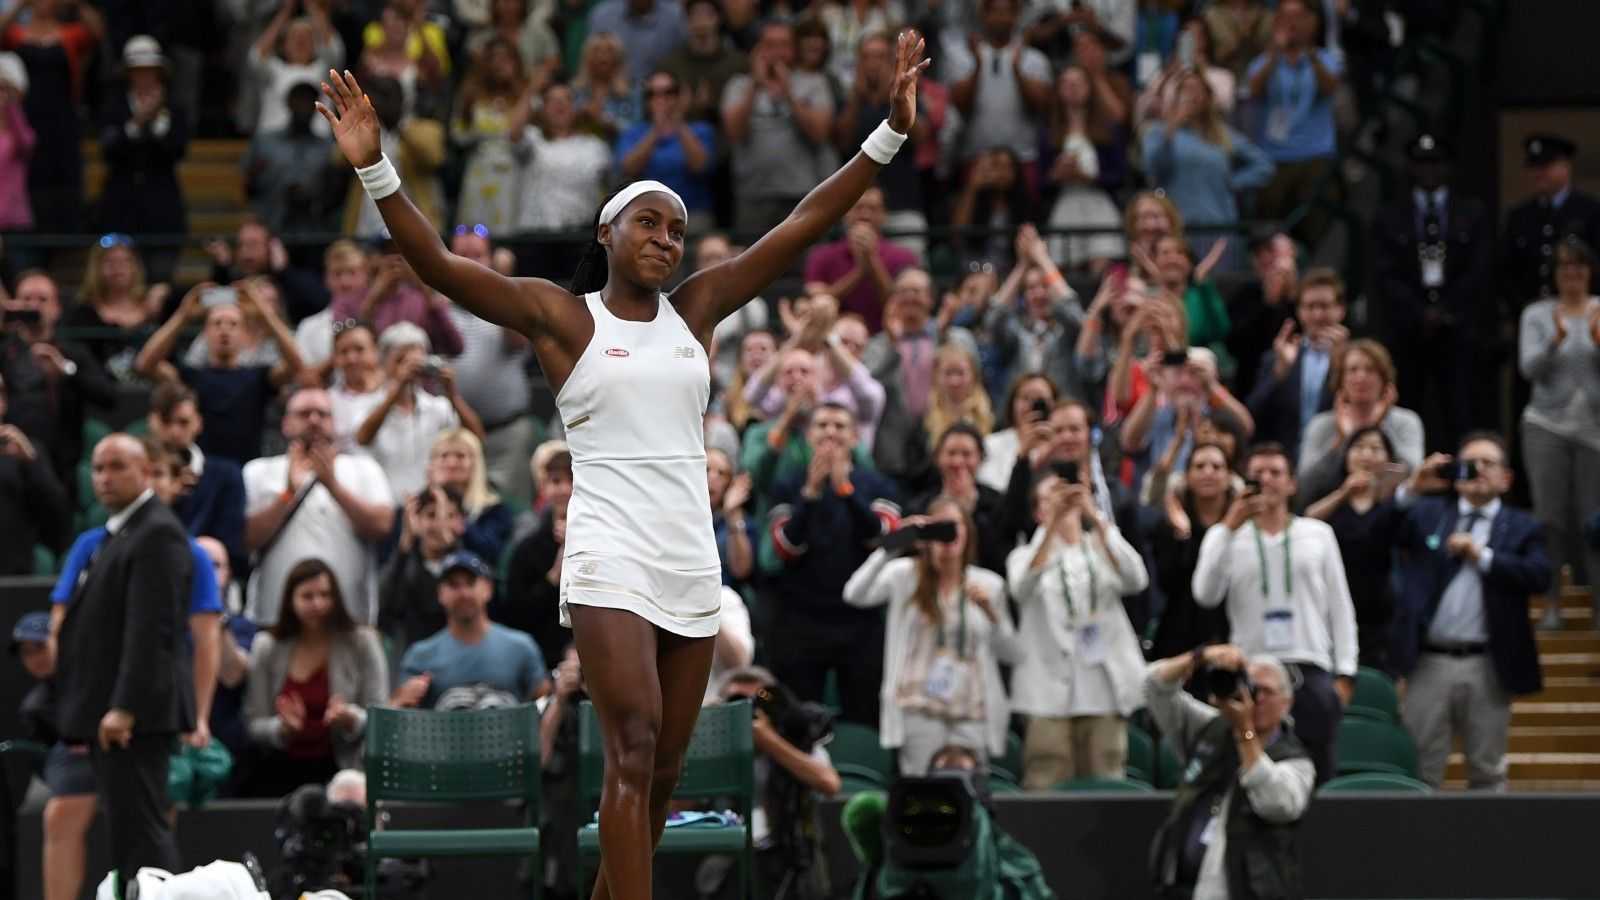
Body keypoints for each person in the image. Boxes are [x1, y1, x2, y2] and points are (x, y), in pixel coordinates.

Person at [316, 32, 926, 896]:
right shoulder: (562, 318)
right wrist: (376, 170)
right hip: (607, 552)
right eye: (650, 222)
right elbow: (441, 268)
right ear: (607, 231)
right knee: (631, 751)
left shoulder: (701, 307)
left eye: (677, 230)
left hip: (690, 553)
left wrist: (890, 135)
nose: (668, 241)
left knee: (663, 780)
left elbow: (802, 224)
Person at [50, 434, 193, 897]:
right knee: (130, 839)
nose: (104, 478)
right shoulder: (124, 532)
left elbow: (152, 631)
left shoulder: (157, 532)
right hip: (116, 711)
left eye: (117, 467)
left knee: (145, 839)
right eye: (97, 468)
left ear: (146, 472)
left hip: (135, 717)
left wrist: (125, 707)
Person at [1191, 441, 1358, 782]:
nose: (1266, 480)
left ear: (1291, 483)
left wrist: (1345, 676)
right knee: (1250, 769)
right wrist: (1227, 527)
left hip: (1309, 668)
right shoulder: (1225, 536)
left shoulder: (1318, 534)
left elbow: (1341, 608)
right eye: (1257, 475)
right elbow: (1205, 595)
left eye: (1275, 473)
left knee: (1316, 773)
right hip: (1252, 669)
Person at [1392, 434, 1549, 790]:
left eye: (1487, 463)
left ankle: (1493, 847)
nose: (1477, 470)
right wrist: (1411, 489)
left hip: (1488, 664)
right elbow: (1382, 533)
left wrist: (1483, 557)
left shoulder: (1524, 526)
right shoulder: (1429, 512)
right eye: (1469, 463)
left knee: (1487, 771)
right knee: (1419, 770)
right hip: (1429, 662)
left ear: (1506, 479)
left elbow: (1540, 575)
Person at [843, 497, 1018, 774]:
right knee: (922, 796)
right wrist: (896, 541)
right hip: (918, 709)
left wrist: (991, 613)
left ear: (968, 533)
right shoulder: (904, 575)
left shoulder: (988, 584)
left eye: (954, 526)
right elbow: (854, 594)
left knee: (969, 796)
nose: (947, 534)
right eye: (939, 527)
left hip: (971, 711)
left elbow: (1011, 652)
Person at [1007, 474, 1148, 788]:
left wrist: (1097, 517)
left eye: (1069, 499)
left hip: (1103, 690)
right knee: (1045, 779)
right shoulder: (1025, 555)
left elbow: (1136, 579)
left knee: (1106, 779)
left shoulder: (1102, 548)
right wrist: (1048, 528)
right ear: (1037, 512)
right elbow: (1021, 588)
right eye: (1051, 499)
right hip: (1046, 695)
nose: (1063, 506)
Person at [766, 403, 903, 724]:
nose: (831, 432)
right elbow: (786, 547)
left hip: (862, 624)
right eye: (823, 425)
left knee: (865, 717)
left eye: (840, 426)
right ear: (809, 435)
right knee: (795, 721)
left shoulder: (878, 485)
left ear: (856, 436)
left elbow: (880, 540)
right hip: (801, 622)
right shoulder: (788, 484)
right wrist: (811, 493)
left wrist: (845, 490)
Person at [1145, 644, 1314, 900]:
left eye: (1265, 691)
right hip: (1176, 886)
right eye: (1248, 686)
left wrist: (1245, 731)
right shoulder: (1212, 728)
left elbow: (1276, 803)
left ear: (1286, 703)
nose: (1255, 698)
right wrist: (1202, 655)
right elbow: (1155, 688)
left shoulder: (1295, 760)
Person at [1371, 133, 1494, 453]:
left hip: (1457, 327)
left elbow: (1478, 271)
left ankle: (1459, 480)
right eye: (1421, 164)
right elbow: (1384, 274)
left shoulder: (1470, 213)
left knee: (1460, 410)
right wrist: (1419, 312)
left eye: (1434, 163)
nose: (1428, 171)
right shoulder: (1390, 216)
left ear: (1447, 167)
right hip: (1407, 329)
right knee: (1404, 406)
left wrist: (1447, 311)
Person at [243, 388, 396, 625]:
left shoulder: (364, 468)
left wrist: (334, 486)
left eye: (322, 415)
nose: (314, 420)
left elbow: (382, 526)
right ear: (285, 424)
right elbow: (245, 539)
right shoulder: (258, 471)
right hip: (274, 619)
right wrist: (288, 494)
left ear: (334, 424)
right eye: (304, 414)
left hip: (349, 619)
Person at [245, 558, 388, 797]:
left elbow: (381, 716)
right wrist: (282, 729)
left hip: (343, 768)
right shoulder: (266, 647)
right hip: (280, 772)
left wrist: (350, 717)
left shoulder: (362, 641)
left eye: (325, 594)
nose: (317, 604)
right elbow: (253, 723)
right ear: (290, 600)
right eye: (307, 596)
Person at [1517, 237, 1600, 631]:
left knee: (1593, 520)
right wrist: (1555, 341)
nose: (1572, 273)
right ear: (1555, 273)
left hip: (1594, 429)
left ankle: (1597, 605)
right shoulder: (1538, 314)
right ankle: (1551, 601)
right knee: (1550, 517)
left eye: (1579, 266)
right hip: (1546, 424)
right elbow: (1528, 369)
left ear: (1589, 270)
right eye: (1564, 266)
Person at [134, 280, 306, 464]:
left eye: (233, 324)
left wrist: (264, 314)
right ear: (206, 332)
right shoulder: (191, 377)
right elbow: (145, 364)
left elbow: (297, 364)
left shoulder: (259, 377)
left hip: (247, 469)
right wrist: (183, 316)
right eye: (217, 324)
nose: (225, 330)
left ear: (243, 332)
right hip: (202, 468)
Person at [709, 667, 841, 900]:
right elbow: (675, 810)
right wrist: (702, 735)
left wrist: (771, 742)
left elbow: (829, 783)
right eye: (738, 703)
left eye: (761, 702)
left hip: (790, 850)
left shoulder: (796, 735)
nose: (752, 714)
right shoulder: (712, 745)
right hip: (728, 855)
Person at [440, 227, 537, 500]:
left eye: (478, 255)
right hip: (453, 434)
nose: (471, 261)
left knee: (510, 510)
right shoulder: (438, 305)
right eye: (463, 254)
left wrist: (503, 282)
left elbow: (519, 340)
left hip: (506, 433)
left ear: (492, 258)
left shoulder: (511, 299)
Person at [0, 270, 114, 496]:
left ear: (57, 308)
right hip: (8, 465)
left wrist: (67, 370)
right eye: (26, 299)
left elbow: (108, 398)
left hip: (60, 468)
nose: (33, 306)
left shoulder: (73, 352)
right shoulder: (3, 352)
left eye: (42, 299)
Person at [390, 550, 551, 710]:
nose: (464, 593)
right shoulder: (421, 656)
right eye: (454, 584)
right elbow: (395, 713)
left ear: (488, 589)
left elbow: (544, 706)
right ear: (440, 593)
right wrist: (405, 698)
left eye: (470, 583)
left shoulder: (521, 647)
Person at [1140, 69, 1273, 260]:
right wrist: (1170, 130)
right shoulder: (1158, 132)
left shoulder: (1222, 135)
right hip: (1177, 228)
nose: (1190, 97)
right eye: (1184, 91)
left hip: (1218, 225)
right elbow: (1153, 170)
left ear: (1207, 97)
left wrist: (1234, 183)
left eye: (1196, 90)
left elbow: (1263, 165)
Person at [721, 21, 838, 233]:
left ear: (794, 49)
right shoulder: (738, 85)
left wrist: (790, 93)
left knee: (802, 264)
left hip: (801, 196)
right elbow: (732, 132)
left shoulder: (814, 83)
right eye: (770, 44)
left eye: (784, 44)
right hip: (752, 195)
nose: (777, 52)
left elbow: (820, 135)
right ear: (757, 50)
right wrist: (755, 86)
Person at [1303, 426, 1403, 670]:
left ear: (1389, 459)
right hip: (1329, 606)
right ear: (1346, 455)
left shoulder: (1394, 504)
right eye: (1358, 447)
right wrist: (1343, 494)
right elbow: (1306, 523)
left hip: (1379, 611)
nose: (1366, 455)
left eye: (1376, 449)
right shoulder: (1329, 494)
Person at [1242, 0, 1341, 245]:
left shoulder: (1324, 59)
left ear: (1311, 21)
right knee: (1267, 232)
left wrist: (1310, 54)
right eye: (1286, 17)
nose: (1293, 23)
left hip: (1314, 156)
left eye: (1299, 16)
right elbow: (1254, 90)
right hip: (1273, 158)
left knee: (1318, 228)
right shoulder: (1264, 62)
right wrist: (1276, 53)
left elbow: (1329, 88)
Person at [97, 36, 188, 283]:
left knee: (159, 279)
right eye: (139, 71)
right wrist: (138, 121)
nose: (145, 77)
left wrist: (157, 124)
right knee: (120, 280)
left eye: (150, 71)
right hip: (122, 210)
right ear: (129, 74)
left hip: (162, 214)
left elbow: (178, 150)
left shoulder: (174, 108)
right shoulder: (113, 108)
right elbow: (109, 149)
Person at [355, 322, 483, 497]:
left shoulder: (438, 406)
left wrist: (453, 395)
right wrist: (398, 386)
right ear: (383, 364)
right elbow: (362, 438)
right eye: (400, 360)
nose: (408, 368)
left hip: (431, 505)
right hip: (387, 506)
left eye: (416, 360)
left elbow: (477, 438)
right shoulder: (367, 405)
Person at [1296, 339, 1425, 502]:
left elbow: (1415, 475)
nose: (1361, 377)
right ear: (1340, 379)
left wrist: (1376, 427)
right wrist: (1340, 442)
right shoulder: (1321, 424)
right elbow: (1304, 484)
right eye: (1352, 370)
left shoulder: (1406, 421)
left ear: (1384, 379)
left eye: (1370, 370)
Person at [1244, 267, 1349, 460]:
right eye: (1310, 307)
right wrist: (1280, 372)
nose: (1317, 316)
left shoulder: (1353, 359)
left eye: (1324, 306)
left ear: (1341, 310)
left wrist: (1341, 364)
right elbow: (1253, 414)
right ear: (1299, 311)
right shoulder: (1277, 357)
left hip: (1335, 456)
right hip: (1284, 459)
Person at [1147, 441, 1235, 660]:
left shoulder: (1241, 527)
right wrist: (1184, 537)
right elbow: (1167, 583)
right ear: (1186, 476)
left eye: (1216, 467)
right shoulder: (1170, 526)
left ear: (1228, 477)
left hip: (1229, 629)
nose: (1208, 472)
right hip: (1181, 634)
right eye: (1199, 466)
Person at [949, 0, 1052, 172]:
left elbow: (1041, 107)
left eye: (1007, 12)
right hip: (978, 158)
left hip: (1025, 157)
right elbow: (961, 107)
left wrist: (1017, 71)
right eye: (995, 12)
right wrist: (978, 66)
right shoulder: (965, 58)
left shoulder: (1034, 59)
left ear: (1016, 15)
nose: (1001, 18)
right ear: (984, 16)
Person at [1501, 133, 1600, 306]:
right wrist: (1526, 307)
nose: (1538, 173)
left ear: (1565, 166)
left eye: (1545, 166)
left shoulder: (1591, 210)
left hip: (1583, 313)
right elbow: (1506, 272)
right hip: (1532, 313)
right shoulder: (1519, 215)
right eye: (1534, 167)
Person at [803, 185, 918, 332]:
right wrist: (859, 271)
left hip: (888, 339)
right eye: (858, 207)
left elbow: (901, 304)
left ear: (885, 214)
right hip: (834, 340)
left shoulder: (904, 257)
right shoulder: (821, 255)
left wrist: (872, 262)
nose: (865, 215)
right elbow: (818, 301)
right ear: (846, 212)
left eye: (873, 209)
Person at [615, 70, 717, 234]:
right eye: (653, 94)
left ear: (680, 96)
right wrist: (656, 129)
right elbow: (629, 168)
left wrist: (679, 122)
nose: (661, 99)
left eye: (669, 92)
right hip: (647, 214)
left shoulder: (700, 130)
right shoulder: (633, 132)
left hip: (692, 213)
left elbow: (701, 167)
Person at [450, 37, 527, 235]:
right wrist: (467, 110)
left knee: (507, 236)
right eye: (493, 58)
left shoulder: (525, 98)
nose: (499, 64)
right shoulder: (472, 96)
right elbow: (458, 136)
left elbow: (531, 141)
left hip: (512, 172)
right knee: (474, 234)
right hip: (479, 171)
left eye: (505, 58)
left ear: (516, 63)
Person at [379, 484, 467, 651]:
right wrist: (405, 541)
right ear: (417, 520)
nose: (439, 524)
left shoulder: (470, 563)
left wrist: (448, 541)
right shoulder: (404, 563)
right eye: (431, 515)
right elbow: (387, 603)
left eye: (449, 515)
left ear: (461, 522)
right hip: (413, 657)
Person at [0, 373, 70, 574]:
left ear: (3, 402)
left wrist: (31, 462)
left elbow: (59, 514)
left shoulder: (28, 451)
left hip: (12, 569)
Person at [426, 427, 515, 564]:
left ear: (476, 463)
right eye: (444, 456)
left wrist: (460, 522)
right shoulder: (418, 508)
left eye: (460, 456)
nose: (451, 463)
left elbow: (489, 552)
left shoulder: (495, 510)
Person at [585, 0, 688, 82]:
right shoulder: (603, 17)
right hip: (614, 96)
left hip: (661, 96)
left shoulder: (675, 17)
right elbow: (589, 66)